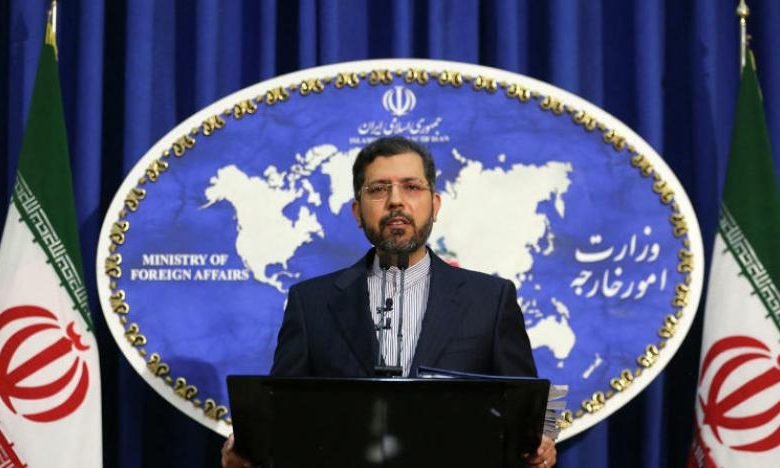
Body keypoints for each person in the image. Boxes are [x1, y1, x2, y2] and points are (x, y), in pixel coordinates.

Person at [222, 136, 556, 467]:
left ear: (435, 205)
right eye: (379, 189)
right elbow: (283, 416)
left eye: (411, 187)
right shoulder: (311, 304)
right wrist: (250, 451)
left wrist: (537, 448)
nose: (396, 201)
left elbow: (523, 414)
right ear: (357, 211)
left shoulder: (491, 301)